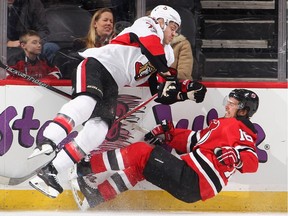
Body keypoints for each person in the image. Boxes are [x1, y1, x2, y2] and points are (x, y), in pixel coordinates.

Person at [28, 5, 207, 199]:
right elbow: (150, 47)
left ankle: (50, 171)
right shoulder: (146, 24)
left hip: (112, 84)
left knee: (98, 131)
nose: (175, 32)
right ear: (161, 20)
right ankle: (50, 139)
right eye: (173, 26)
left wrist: (184, 93)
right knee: (87, 102)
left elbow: (161, 92)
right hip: (96, 66)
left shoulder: (168, 55)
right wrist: (168, 75)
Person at [69, 88, 259, 210]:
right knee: (139, 170)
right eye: (229, 100)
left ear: (244, 110)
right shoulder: (222, 125)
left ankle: (83, 168)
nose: (227, 105)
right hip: (193, 186)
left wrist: (236, 156)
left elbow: (252, 160)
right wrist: (169, 133)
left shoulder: (242, 130)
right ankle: (95, 196)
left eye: (233, 103)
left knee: (140, 152)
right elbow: (193, 141)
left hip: (195, 180)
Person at [54, 7, 114, 79]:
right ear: (95, 24)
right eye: (105, 20)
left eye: (111, 21)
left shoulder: (114, 47)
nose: (109, 23)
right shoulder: (81, 44)